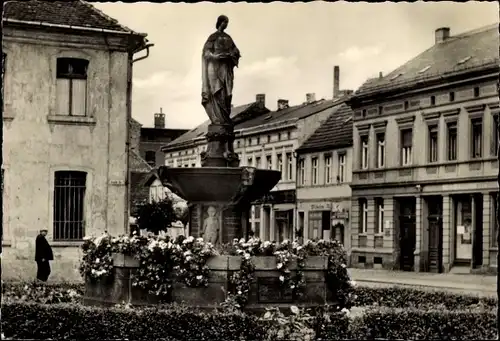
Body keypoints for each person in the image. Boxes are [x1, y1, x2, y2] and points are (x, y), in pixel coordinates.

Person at [201, 15, 241, 128]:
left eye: (227, 22)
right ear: (220, 22)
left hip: (225, 67)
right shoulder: (212, 37)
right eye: (225, 22)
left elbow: (236, 51)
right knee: (216, 91)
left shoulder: (228, 38)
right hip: (214, 67)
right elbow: (206, 53)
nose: (226, 24)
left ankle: (224, 118)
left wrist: (231, 55)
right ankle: (217, 118)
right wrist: (215, 56)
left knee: (227, 93)